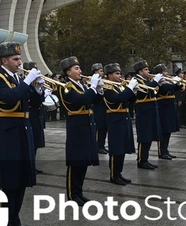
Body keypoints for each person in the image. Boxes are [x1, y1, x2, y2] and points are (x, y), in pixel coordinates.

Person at [0, 41, 44, 226]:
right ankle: (4, 222)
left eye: (19, 58)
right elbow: (10, 98)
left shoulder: (18, 78)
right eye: (15, 59)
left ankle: (15, 219)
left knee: (22, 179)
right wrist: (28, 82)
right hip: (9, 132)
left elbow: (35, 103)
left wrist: (38, 88)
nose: (19, 62)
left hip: (24, 130)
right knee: (10, 180)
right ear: (5, 60)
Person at [57, 56, 99, 204]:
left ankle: (79, 192)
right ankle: (72, 194)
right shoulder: (66, 86)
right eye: (76, 68)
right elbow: (81, 100)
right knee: (75, 162)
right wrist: (93, 88)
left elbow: (94, 101)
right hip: (76, 126)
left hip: (87, 124)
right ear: (68, 72)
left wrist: (98, 90)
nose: (80, 71)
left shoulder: (81, 85)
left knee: (83, 161)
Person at [103, 63, 137, 185]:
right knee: (116, 148)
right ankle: (113, 175)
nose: (120, 75)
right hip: (115, 120)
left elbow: (132, 100)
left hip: (124, 118)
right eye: (117, 73)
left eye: (119, 73)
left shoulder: (119, 87)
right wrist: (129, 89)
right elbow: (118, 99)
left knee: (122, 148)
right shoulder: (107, 88)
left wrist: (133, 90)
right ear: (109, 75)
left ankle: (119, 173)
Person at [132, 61, 160, 170]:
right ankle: (141, 160)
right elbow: (145, 90)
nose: (148, 71)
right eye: (146, 69)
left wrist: (158, 83)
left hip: (150, 111)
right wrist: (155, 82)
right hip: (143, 112)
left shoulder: (146, 80)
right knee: (144, 137)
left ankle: (145, 159)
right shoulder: (136, 80)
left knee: (149, 136)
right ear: (140, 71)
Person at [23, 61, 46, 174]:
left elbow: (40, 100)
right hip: (29, 115)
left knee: (35, 143)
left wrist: (40, 90)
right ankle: (28, 167)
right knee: (29, 144)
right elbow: (29, 99)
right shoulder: (24, 84)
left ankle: (32, 165)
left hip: (36, 115)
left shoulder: (35, 84)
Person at [153, 64, 179, 160]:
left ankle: (166, 150)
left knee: (168, 131)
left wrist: (178, 84)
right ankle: (161, 151)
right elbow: (165, 89)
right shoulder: (158, 82)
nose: (166, 73)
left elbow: (175, 89)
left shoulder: (166, 81)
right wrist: (175, 83)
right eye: (164, 72)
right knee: (164, 130)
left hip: (170, 106)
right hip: (163, 107)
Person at [90, 62, 108, 154]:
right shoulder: (92, 81)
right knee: (99, 128)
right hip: (97, 108)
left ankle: (102, 145)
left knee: (104, 128)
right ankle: (97, 146)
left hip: (105, 108)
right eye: (101, 71)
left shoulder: (103, 80)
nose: (103, 72)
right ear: (96, 72)